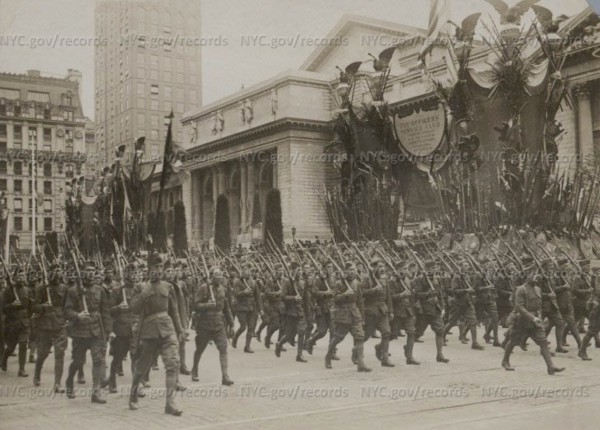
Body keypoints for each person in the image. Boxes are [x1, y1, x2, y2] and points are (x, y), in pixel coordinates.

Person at [128, 252, 184, 415]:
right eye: (155, 267)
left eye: (161, 266)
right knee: (142, 367)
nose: (159, 270)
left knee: (173, 363)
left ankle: (170, 403)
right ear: (149, 268)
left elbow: (174, 312)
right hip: (149, 332)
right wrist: (145, 293)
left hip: (167, 330)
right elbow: (134, 309)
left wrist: (180, 330)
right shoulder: (140, 287)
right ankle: (133, 394)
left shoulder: (169, 287)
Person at [64, 261, 112, 403]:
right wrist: (77, 315)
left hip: (96, 330)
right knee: (78, 361)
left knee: (98, 360)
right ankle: (69, 381)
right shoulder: (73, 291)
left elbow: (105, 311)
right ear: (81, 272)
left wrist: (109, 330)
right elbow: (67, 310)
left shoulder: (100, 289)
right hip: (80, 330)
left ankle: (96, 392)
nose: (90, 273)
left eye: (93, 270)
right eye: (87, 270)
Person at [501, 273, 566, 375]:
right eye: (533, 276)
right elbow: (520, 307)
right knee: (513, 340)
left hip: (535, 321)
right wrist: (532, 318)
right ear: (527, 277)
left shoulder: (538, 289)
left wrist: (540, 318)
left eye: (537, 276)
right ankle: (505, 361)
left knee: (543, 342)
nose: (536, 277)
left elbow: (539, 306)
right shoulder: (521, 289)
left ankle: (550, 366)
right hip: (522, 321)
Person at [190, 267, 234, 385]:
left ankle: (225, 376)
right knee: (200, 349)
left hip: (219, 323)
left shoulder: (222, 289)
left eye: (221, 276)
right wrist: (208, 305)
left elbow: (226, 307)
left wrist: (231, 323)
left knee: (223, 348)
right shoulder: (204, 288)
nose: (219, 278)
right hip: (205, 323)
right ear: (211, 276)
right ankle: (194, 369)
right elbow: (195, 305)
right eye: (216, 275)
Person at [325, 262, 371, 372]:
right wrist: (345, 294)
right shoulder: (339, 284)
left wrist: (362, 317)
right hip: (343, 314)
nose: (353, 271)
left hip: (355, 313)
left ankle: (361, 363)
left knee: (360, 337)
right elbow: (334, 299)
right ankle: (328, 356)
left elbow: (360, 302)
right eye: (350, 269)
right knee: (337, 338)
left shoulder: (357, 283)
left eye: (354, 269)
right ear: (345, 271)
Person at [33, 263, 68, 392]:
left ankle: (57, 383)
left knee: (60, 354)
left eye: (59, 270)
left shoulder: (65, 288)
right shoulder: (41, 287)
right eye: (54, 271)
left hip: (60, 324)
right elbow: (34, 307)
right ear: (49, 273)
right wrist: (43, 306)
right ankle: (37, 372)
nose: (57, 273)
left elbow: (67, 306)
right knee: (42, 353)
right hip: (45, 325)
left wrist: (67, 318)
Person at [1, 268, 33, 376]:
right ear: (14, 277)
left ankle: (22, 369)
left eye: (23, 276)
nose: (21, 278)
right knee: (11, 347)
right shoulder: (8, 290)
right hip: (12, 323)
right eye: (19, 276)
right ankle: (4, 357)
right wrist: (12, 305)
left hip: (24, 322)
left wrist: (30, 317)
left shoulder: (28, 290)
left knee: (23, 344)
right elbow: (3, 308)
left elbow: (30, 306)